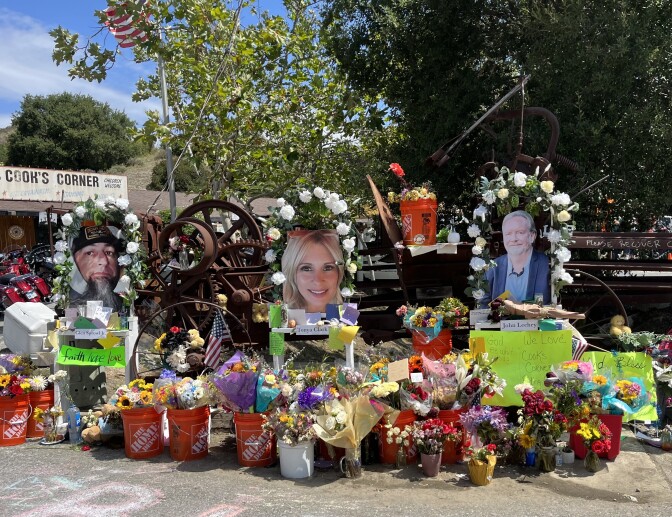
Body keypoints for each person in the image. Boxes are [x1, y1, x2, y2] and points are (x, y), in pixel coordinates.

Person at [480, 210, 550, 308]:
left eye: (520, 232)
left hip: (537, 322)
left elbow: (550, 304)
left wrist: (519, 307)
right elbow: (483, 306)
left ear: (532, 236)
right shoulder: (493, 267)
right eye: (508, 234)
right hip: (500, 323)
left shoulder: (546, 265)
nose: (514, 239)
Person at [281, 230, 344, 313]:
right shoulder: (279, 317)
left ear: (339, 272)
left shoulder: (349, 314)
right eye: (306, 268)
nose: (317, 280)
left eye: (328, 268)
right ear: (291, 273)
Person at [68, 225, 124, 311]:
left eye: (109, 252)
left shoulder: (126, 303)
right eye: (90, 253)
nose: (104, 262)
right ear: (74, 260)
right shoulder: (66, 304)